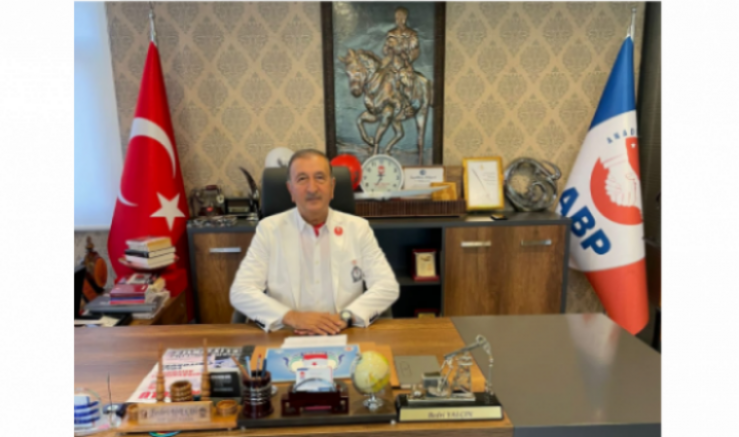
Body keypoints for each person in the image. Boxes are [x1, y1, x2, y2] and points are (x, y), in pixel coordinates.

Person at [230, 150, 399, 334]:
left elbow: (386, 286)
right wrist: (293, 317)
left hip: (344, 333)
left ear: (332, 186)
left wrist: (345, 317)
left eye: (320, 178)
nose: (312, 188)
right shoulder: (269, 230)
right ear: (291, 189)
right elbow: (241, 291)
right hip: (287, 334)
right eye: (302, 179)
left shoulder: (358, 229)